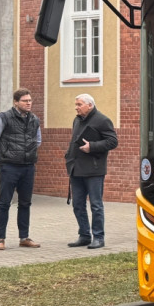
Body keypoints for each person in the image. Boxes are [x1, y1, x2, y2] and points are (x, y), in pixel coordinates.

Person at [0, 88, 42, 250]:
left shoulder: (34, 120)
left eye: (30, 100)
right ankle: (0, 239)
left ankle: (24, 237)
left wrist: (27, 154)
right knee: (4, 202)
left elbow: (37, 141)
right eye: (25, 101)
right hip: (9, 167)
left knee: (25, 203)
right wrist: (6, 155)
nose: (28, 103)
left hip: (28, 167)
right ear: (16, 102)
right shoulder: (3, 118)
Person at [65, 93, 118, 250]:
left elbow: (113, 141)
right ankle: (84, 235)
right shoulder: (77, 120)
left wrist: (92, 147)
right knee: (78, 205)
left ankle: (99, 237)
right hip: (76, 168)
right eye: (76, 104)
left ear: (90, 105)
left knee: (96, 205)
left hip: (94, 170)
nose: (76, 107)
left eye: (79, 104)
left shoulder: (102, 120)